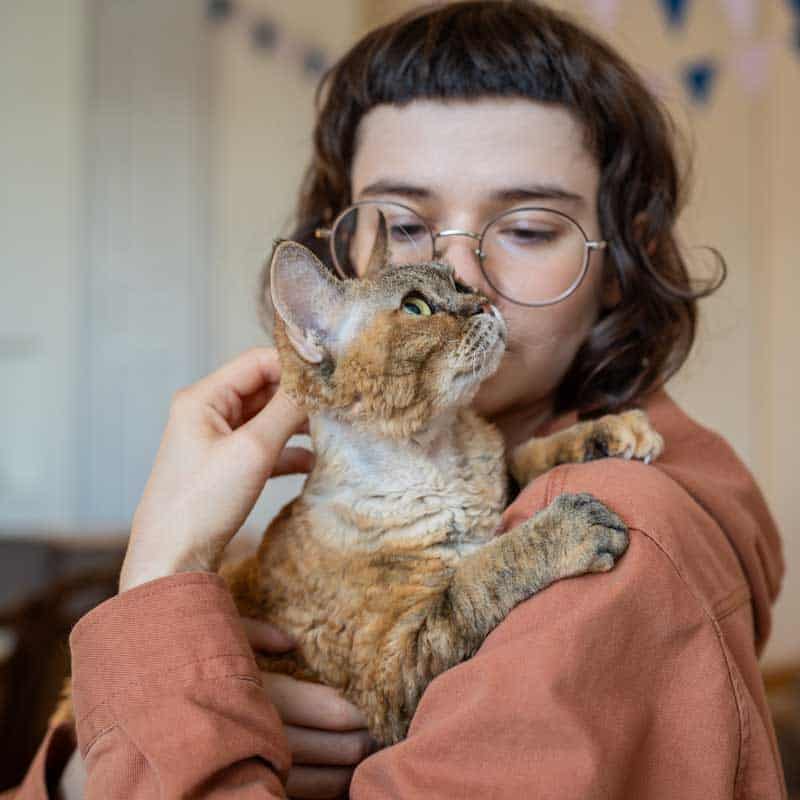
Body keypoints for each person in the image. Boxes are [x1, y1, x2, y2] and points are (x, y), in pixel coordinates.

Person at [7, 2, 786, 798]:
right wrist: (119, 750)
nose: (464, 281)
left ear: (621, 262)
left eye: (527, 228)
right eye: (406, 227)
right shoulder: (430, 478)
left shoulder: (617, 539)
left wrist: (159, 595)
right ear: (347, 252)